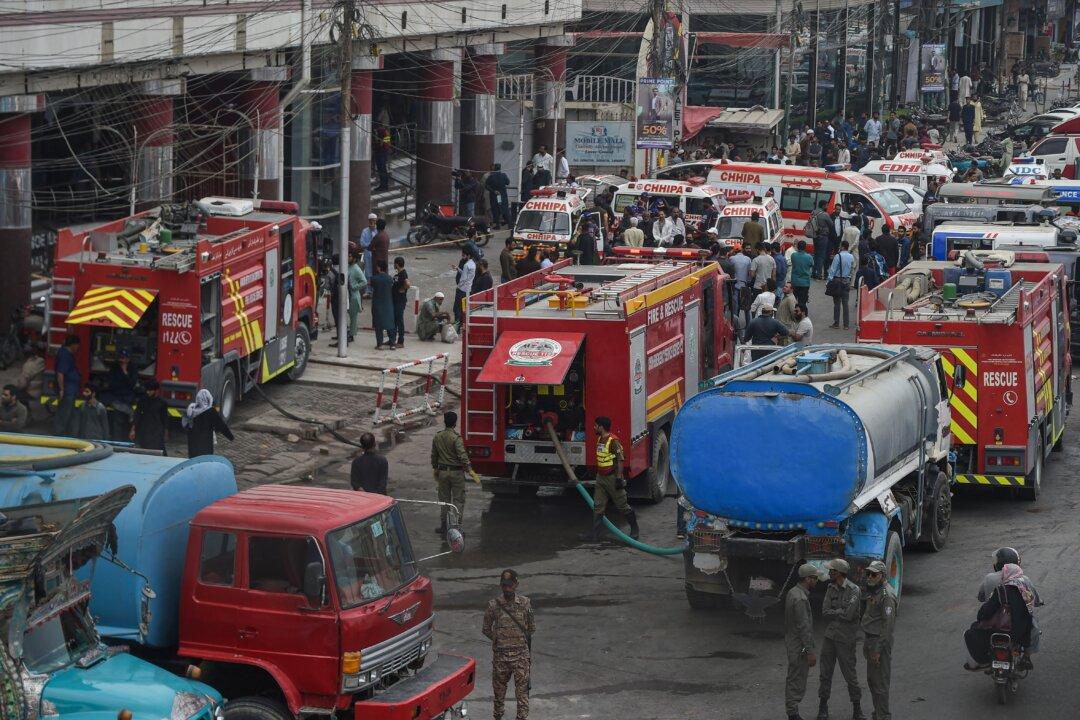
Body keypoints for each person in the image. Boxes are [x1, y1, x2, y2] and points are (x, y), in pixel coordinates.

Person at [483, 569, 535, 720]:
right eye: (504, 585)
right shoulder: (493, 605)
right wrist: (498, 639)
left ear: (516, 584)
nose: (507, 588)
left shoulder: (525, 603)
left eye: (510, 585)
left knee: (522, 694)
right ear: (501, 585)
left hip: (521, 657)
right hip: (501, 658)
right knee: (499, 694)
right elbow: (486, 628)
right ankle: (498, 716)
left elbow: (531, 628)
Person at [817, 559, 864, 720]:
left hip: (846, 638)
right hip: (830, 636)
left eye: (832, 570)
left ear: (838, 573)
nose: (829, 573)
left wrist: (835, 612)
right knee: (825, 673)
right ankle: (822, 707)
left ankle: (857, 709)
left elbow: (849, 615)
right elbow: (824, 611)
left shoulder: (854, 590)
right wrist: (839, 611)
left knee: (850, 675)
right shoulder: (831, 588)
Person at [581, 416, 640, 541]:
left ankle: (635, 530)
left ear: (601, 427)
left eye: (596, 425)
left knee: (622, 505)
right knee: (598, 505)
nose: (594, 427)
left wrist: (619, 478)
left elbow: (620, 460)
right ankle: (595, 534)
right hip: (601, 478)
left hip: (612, 478)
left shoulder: (613, 441)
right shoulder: (600, 439)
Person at [861, 560, 897, 720]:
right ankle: (878, 713)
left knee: (880, 684)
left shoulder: (886, 596)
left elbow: (887, 626)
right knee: (872, 680)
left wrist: (877, 650)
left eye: (874, 574)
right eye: (868, 573)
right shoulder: (874, 591)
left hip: (878, 642)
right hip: (870, 640)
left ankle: (883, 716)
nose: (870, 577)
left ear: (882, 576)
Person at [785, 564, 821, 720]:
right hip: (799, 646)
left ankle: (792, 711)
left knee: (794, 676)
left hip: (793, 642)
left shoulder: (793, 592)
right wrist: (810, 652)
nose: (817, 581)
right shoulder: (800, 598)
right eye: (815, 578)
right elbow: (804, 627)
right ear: (808, 579)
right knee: (797, 678)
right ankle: (793, 713)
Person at [431, 411, 474, 535]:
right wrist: (469, 468)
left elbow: (434, 455)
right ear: (455, 423)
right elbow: (462, 455)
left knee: (444, 500)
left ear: (444, 422)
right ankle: (456, 528)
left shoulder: (437, 437)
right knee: (458, 501)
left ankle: (444, 526)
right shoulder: (456, 438)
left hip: (442, 473)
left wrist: (435, 468)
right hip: (456, 473)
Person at [182, 388, 233, 458]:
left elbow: (185, 425)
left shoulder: (191, 410)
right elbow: (221, 425)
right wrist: (230, 437)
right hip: (205, 444)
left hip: (193, 446)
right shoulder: (210, 411)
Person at [104, 350, 140, 439]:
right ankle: (117, 439)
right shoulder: (115, 368)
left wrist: (125, 372)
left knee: (128, 420)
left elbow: (132, 383)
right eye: (121, 358)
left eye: (124, 358)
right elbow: (111, 383)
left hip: (128, 397)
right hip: (116, 397)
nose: (122, 361)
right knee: (118, 420)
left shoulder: (132, 368)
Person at [53, 335, 81, 436]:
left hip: (70, 390)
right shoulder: (65, 355)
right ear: (73, 345)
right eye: (77, 345)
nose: (78, 348)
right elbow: (60, 373)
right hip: (67, 390)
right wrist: (62, 389)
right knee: (64, 413)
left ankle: (69, 434)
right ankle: (58, 434)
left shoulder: (65, 353)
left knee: (69, 413)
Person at [130, 379, 168, 453]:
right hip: (144, 431)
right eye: (147, 390)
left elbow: (165, 418)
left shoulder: (162, 403)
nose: (148, 392)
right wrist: (133, 429)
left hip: (157, 432)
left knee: (158, 452)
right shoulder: (143, 401)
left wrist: (166, 433)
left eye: (150, 390)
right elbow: (137, 415)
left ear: (156, 391)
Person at [827, 240, 855, 329]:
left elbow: (833, 270)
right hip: (846, 281)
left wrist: (828, 281)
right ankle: (846, 325)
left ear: (842, 247)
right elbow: (852, 269)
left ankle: (836, 323)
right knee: (845, 303)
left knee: (837, 303)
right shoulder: (851, 257)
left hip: (837, 281)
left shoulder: (837, 256)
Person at [370, 260, 395, 349]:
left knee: (378, 325)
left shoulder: (374, 279)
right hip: (388, 303)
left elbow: (369, 285)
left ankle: (380, 344)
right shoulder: (390, 278)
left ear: (379, 268)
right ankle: (392, 344)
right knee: (390, 324)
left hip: (377, 304)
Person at [347, 251, 368, 340]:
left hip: (353, 296)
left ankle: (352, 335)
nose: (348, 257)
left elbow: (364, 281)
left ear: (354, 258)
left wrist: (354, 287)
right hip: (347, 295)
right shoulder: (348, 267)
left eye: (350, 256)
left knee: (353, 317)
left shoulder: (356, 269)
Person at [455, 248, 476, 328]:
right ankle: (463, 324)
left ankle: (458, 325)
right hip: (468, 289)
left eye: (464, 255)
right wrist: (458, 269)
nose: (463, 256)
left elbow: (463, 278)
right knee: (465, 308)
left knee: (458, 308)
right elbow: (466, 275)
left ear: (468, 255)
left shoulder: (466, 265)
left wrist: (458, 287)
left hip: (462, 290)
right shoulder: (473, 264)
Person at [486, 163, 512, 229]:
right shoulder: (503, 175)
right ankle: (510, 224)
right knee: (505, 209)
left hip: (495, 195)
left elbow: (486, 185)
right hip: (502, 195)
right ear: (500, 168)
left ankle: (497, 225)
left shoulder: (491, 176)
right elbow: (508, 182)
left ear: (494, 168)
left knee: (496, 210)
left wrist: (493, 191)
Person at [391, 257, 410, 348]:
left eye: (394, 264)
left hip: (399, 301)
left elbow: (407, 284)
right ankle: (393, 339)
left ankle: (400, 341)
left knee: (399, 321)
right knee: (395, 321)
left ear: (397, 264)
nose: (393, 265)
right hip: (395, 300)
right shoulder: (398, 274)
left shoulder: (403, 274)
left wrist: (403, 289)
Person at [811, 201, 832, 280]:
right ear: (823, 206)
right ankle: (819, 274)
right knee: (821, 256)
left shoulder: (813, 212)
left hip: (815, 236)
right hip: (823, 237)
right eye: (826, 205)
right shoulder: (825, 214)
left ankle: (813, 272)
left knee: (815, 254)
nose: (827, 207)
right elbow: (831, 224)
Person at [790, 240, 814, 306]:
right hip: (805, 283)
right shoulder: (809, 257)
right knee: (802, 302)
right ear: (805, 247)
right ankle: (802, 314)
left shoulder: (793, 255)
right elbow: (812, 264)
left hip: (795, 282)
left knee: (793, 301)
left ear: (797, 247)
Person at [358, 213, 378, 287]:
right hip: (367, 255)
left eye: (374, 221)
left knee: (376, 271)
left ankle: (375, 289)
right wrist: (371, 244)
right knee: (368, 273)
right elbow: (362, 243)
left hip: (376, 255)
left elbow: (378, 243)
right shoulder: (365, 231)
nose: (372, 223)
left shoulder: (378, 231)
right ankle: (368, 290)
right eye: (371, 221)